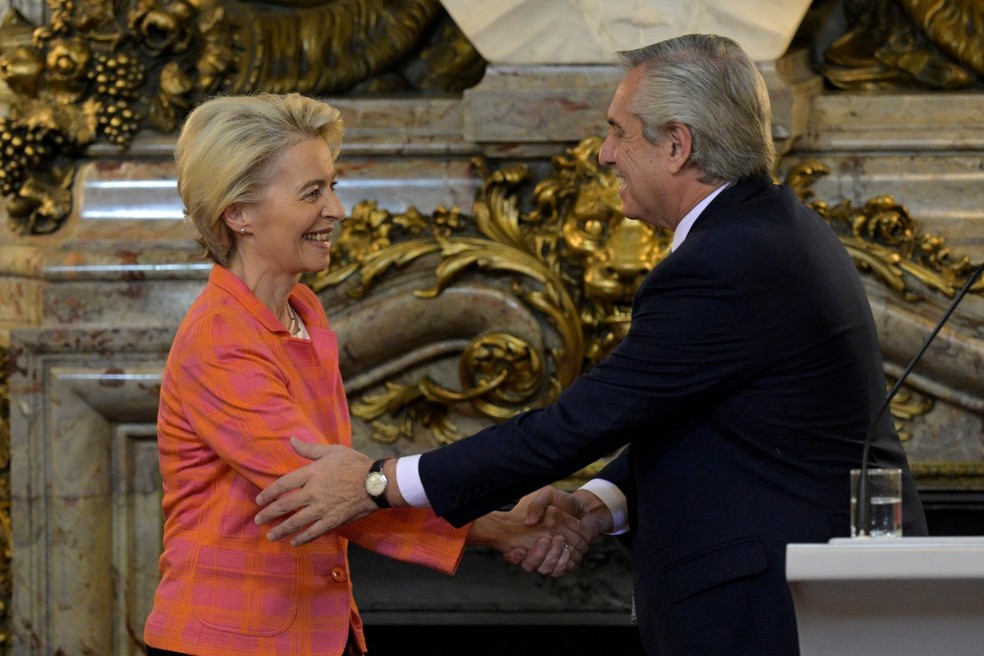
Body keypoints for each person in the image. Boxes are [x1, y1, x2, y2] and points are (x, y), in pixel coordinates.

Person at [252, 35, 929, 656]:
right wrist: (592, 506)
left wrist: (379, 481)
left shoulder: (729, 260)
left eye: (617, 132)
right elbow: (704, 423)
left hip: (773, 618)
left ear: (676, 146)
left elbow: (575, 425)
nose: (603, 153)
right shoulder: (767, 232)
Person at [143, 92, 590, 656]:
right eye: (313, 192)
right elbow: (324, 493)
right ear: (239, 213)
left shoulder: (304, 311)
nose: (337, 209)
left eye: (332, 186)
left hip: (314, 634)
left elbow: (349, 485)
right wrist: (499, 526)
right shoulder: (219, 339)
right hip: (230, 640)